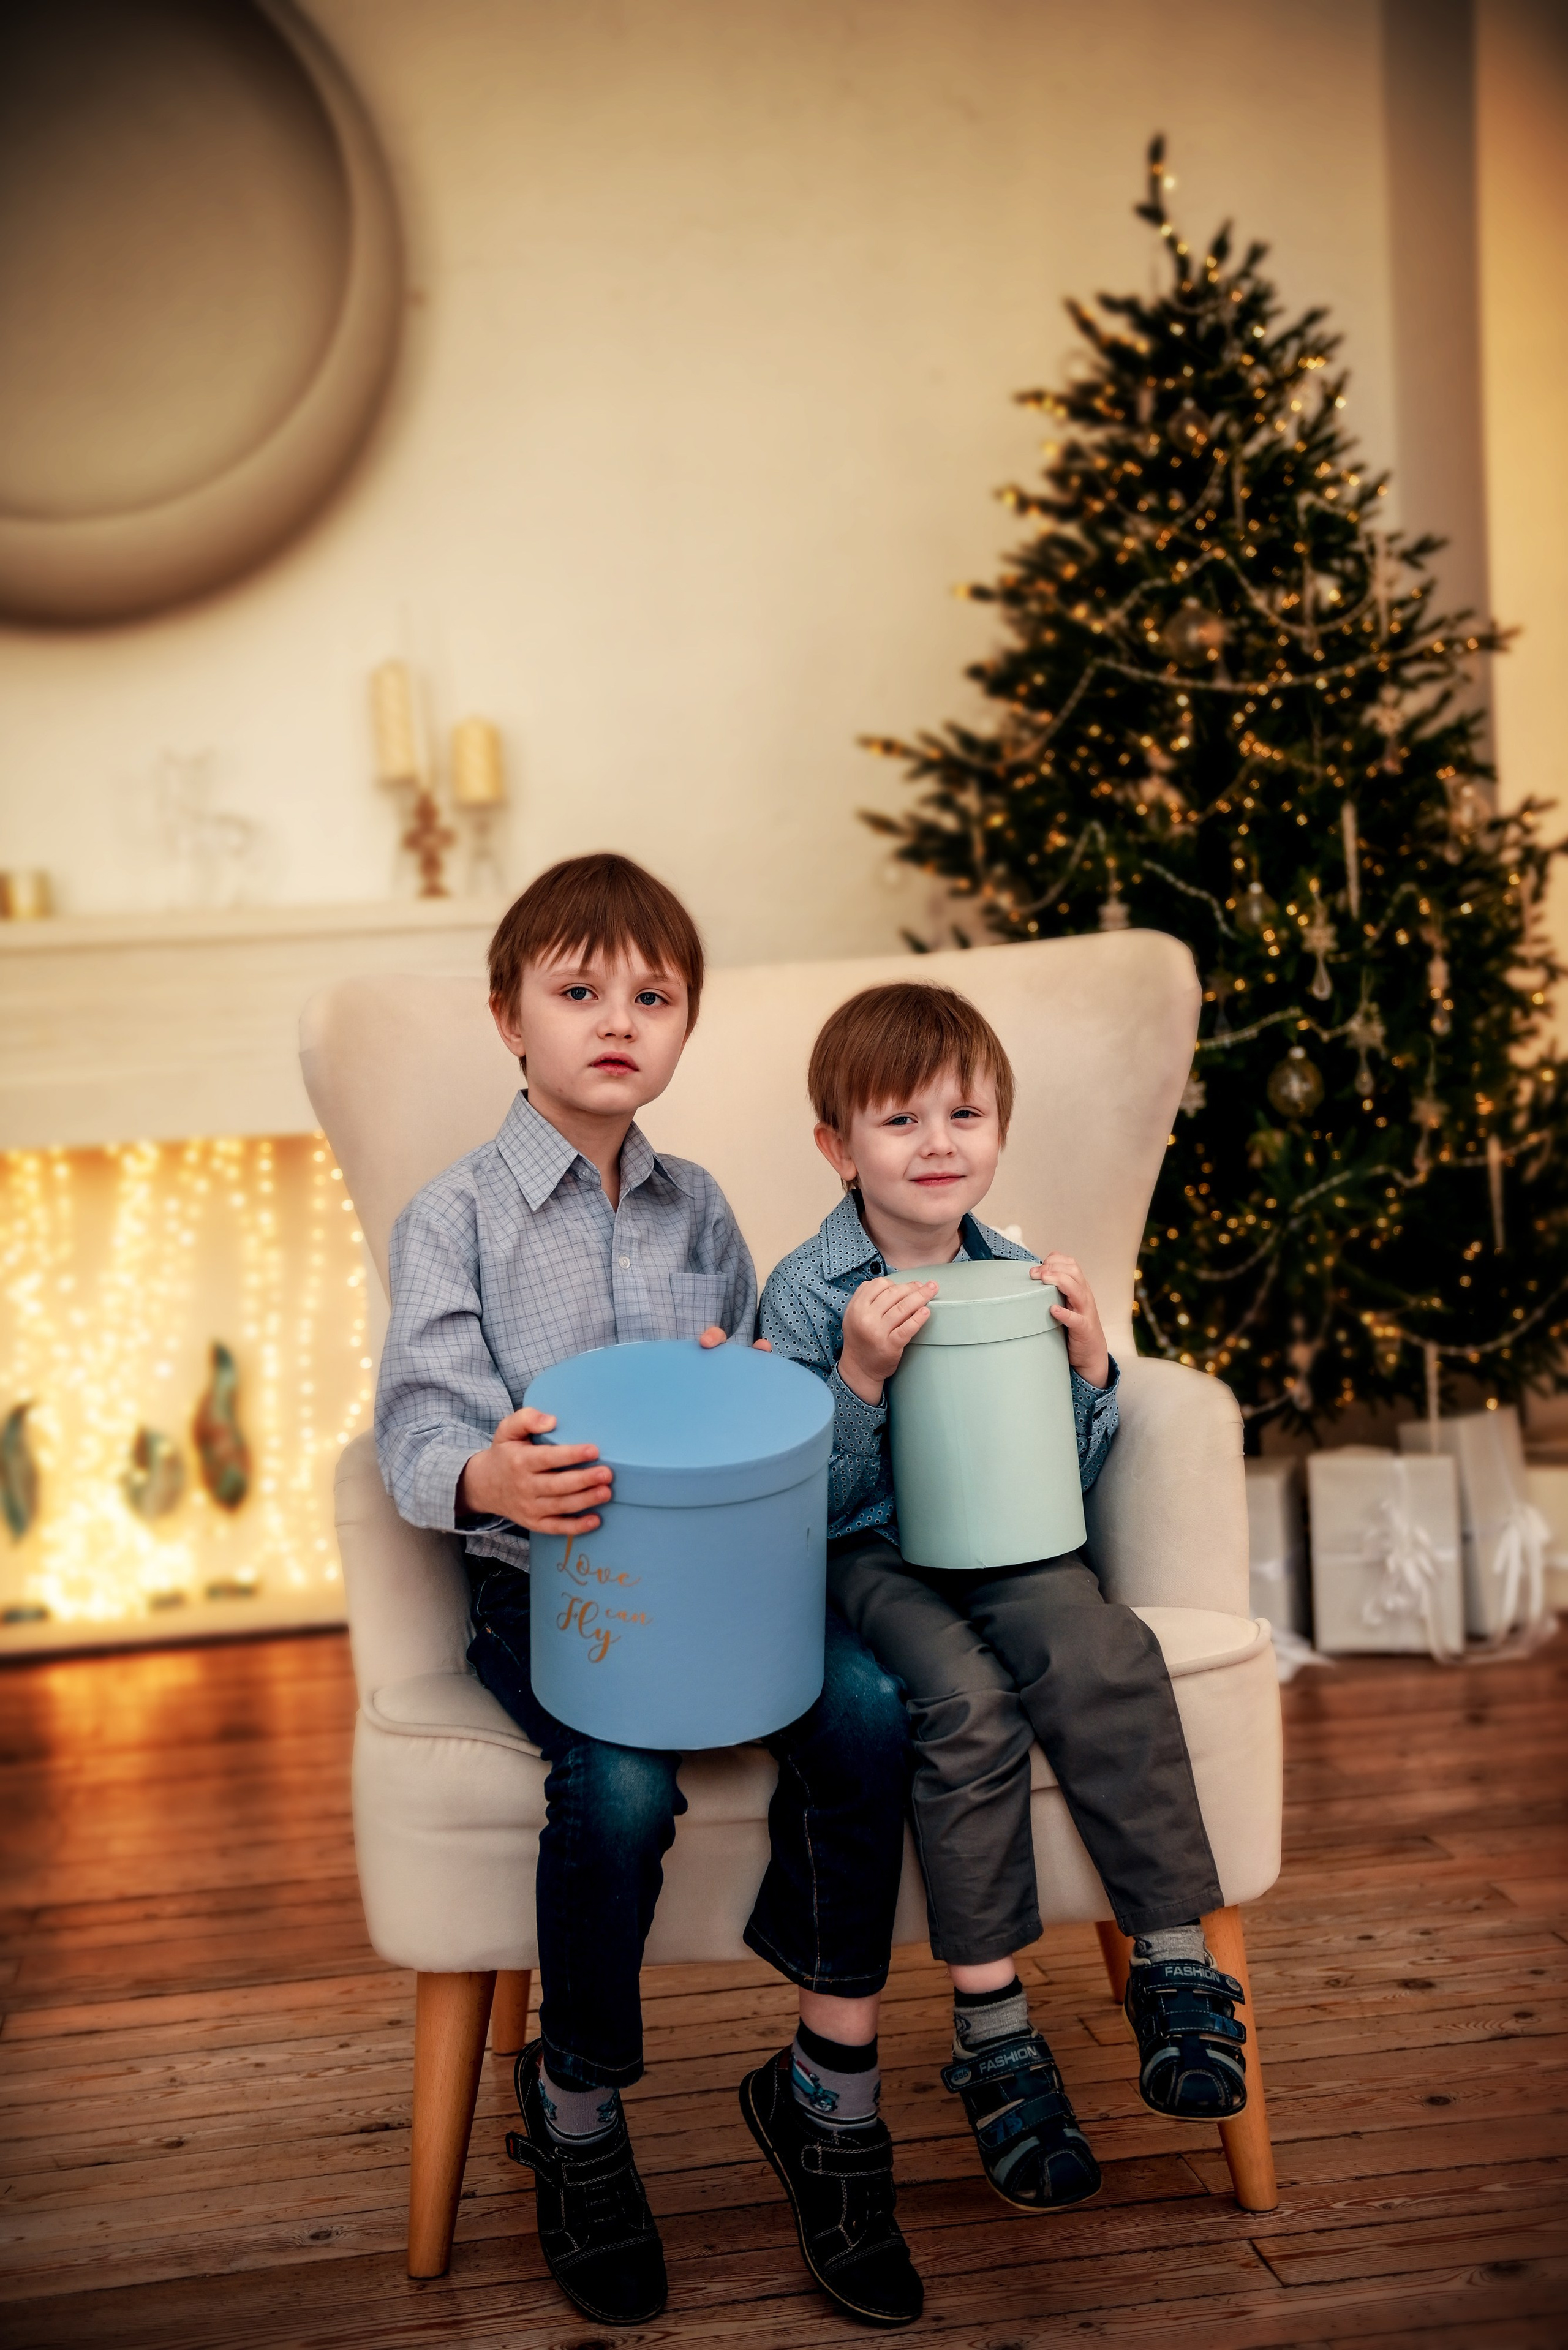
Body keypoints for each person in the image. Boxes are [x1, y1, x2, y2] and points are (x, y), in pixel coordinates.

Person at [375, 855, 922, 2330]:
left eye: (652, 995)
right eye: (577, 991)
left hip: (719, 1579)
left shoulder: (701, 1207)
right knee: (615, 1787)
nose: (616, 1019)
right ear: (509, 1017)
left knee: (869, 1708)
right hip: (548, 1590)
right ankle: (575, 2111)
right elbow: (416, 1427)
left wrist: (742, 1379)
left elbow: (749, 1390)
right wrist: (486, 1477)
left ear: (683, 1026)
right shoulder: (458, 1217)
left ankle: (823, 2086)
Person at [760, 979, 1246, 2215]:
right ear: (835, 1146)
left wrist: (1088, 1367)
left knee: (1097, 1647)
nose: (935, 1143)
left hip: (1009, 1544)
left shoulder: (1021, 1270)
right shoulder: (807, 1294)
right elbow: (802, 1506)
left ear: (998, 1130)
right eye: (897, 1120)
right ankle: (994, 2028)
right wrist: (858, 1379)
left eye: (962, 1113)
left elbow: (1058, 1483)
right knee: (963, 1705)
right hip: (871, 1554)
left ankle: (1174, 1965)